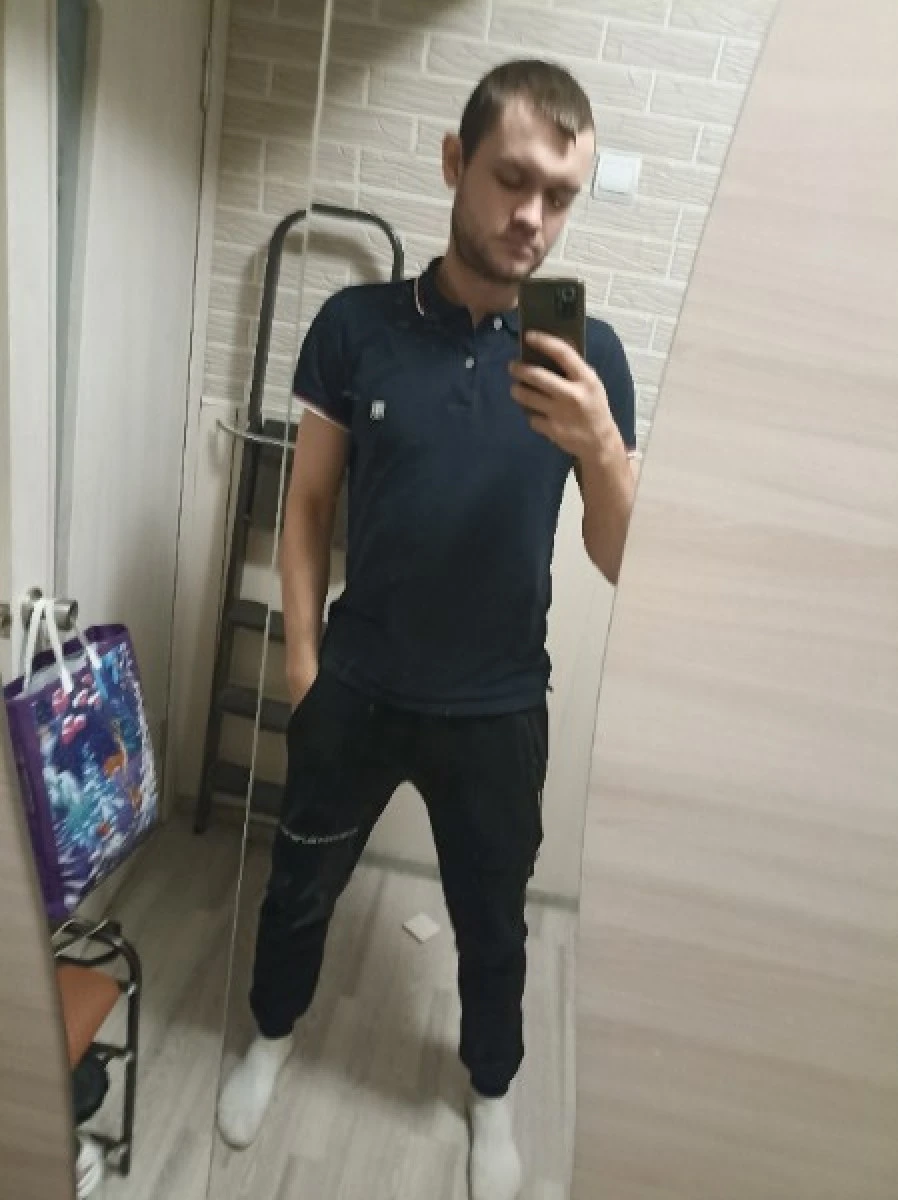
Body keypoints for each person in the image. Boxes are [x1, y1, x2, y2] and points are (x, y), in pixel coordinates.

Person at [217, 58, 639, 1200]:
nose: (533, 216)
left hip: (499, 705)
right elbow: (309, 507)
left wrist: (602, 447)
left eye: (560, 196)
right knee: (298, 887)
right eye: (512, 179)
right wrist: (304, 667)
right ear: (456, 162)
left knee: (493, 924)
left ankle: (489, 1095)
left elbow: (619, 556)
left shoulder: (588, 358)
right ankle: (271, 1036)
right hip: (355, 683)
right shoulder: (353, 328)